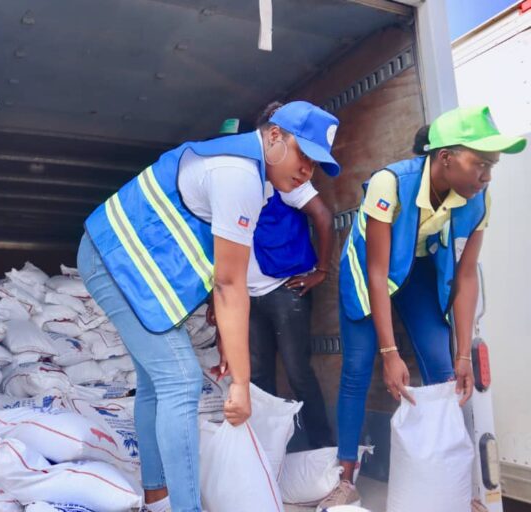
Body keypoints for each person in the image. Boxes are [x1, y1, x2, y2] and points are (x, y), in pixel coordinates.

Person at [78, 101, 341, 512]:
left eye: (316, 164)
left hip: (123, 263)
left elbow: (224, 275)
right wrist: (241, 382)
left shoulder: (257, 175)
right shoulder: (239, 174)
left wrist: (230, 348)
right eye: (303, 155)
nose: (308, 170)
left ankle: (157, 496)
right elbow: (230, 283)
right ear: (275, 136)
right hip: (114, 259)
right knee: (181, 381)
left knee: (157, 383)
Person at [318, 105, 526, 509]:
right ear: (445, 157)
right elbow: (378, 272)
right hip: (369, 271)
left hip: (415, 270)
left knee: (445, 372)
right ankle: (346, 477)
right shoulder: (390, 183)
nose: (486, 176)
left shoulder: (478, 199)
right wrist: (389, 351)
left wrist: (463, 354)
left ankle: (454, 485)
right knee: (357, 370)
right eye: (480, 164)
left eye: (492, 166)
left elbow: (466, 276)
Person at [209, 102, 336, 449]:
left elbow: (324, 218)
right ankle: (267, 451)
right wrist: (214, 301)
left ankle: (322, 448)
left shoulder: (285, 179)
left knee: (297, 372)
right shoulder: (233, 182)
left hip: (283, 289)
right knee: (257, 375)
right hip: (245, 297)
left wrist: (321, 271)